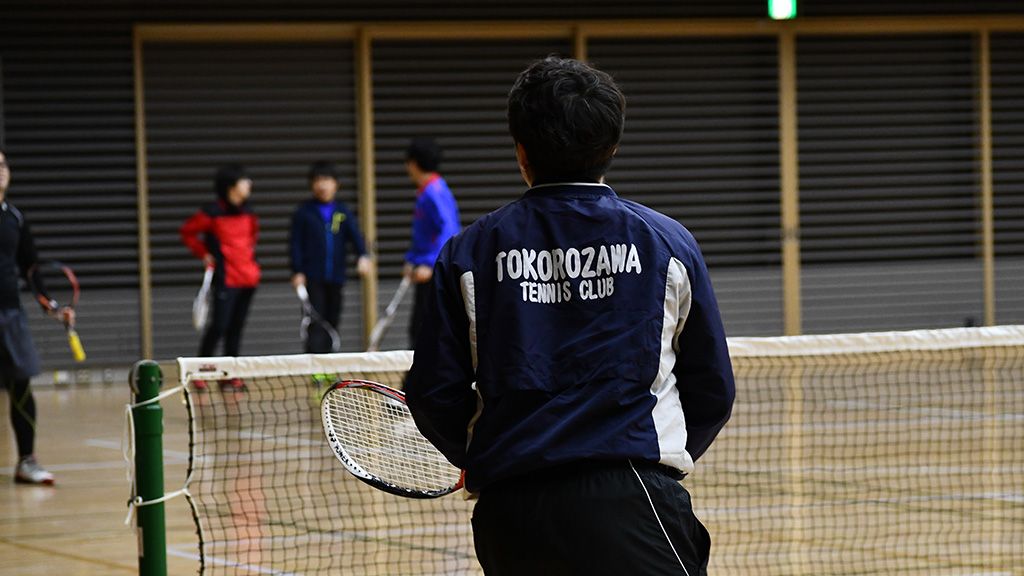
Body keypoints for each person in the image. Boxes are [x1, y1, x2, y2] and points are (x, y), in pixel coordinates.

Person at [404, 57, 736, 576]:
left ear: (521, 153)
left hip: (511, 513)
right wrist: (651, 455)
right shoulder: (667, 244)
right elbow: (712, 386)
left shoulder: (468, 254)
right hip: (632, 497)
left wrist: (492, 454)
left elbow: (433, 394)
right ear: (612, 147)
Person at [0, 148, 67, 484]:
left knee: (21, 384)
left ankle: (27, 461)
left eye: (2, 165)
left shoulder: (15, 218)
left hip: (9, 314)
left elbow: (31, 268)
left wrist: (49, 304)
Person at [180, 164, 260, 389]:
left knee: (236, 328)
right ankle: (200, 371)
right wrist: (204, 253)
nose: (249, 185)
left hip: (248, 279)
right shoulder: (212, 213)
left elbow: (252, 238)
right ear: (231, 187)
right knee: (219, 326)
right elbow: (187, 231)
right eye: (244, 181)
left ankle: (230, 374)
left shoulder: (249, 212)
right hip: (226, 279)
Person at [289, 160, 372, 353]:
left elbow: (355, 237)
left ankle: (328, 367)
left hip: (336, 276)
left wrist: (363, 256)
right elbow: (295, 243)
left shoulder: (342, 211)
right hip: (313, 277)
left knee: (332, 321)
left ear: (336, 184)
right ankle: (314, 369)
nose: (322, 185)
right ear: (312, 185)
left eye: (327, 180)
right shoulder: (303, 213)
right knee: (315, 321)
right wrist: (297, 270)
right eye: (318, 180)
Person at [402, 137, 460, 349]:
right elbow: (424, 235)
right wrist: (412, 260)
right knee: (418, 328)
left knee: (424, 328)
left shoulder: (435, 192)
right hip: (425, 268)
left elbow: (449, 231)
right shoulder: (426, 191)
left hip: (435, 271)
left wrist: (430, 264)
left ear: (414, 163)